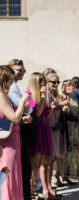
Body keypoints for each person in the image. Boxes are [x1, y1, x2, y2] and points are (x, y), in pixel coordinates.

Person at [0, 65, 30, 200]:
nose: (12, 83)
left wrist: (22, 115)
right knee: (8, 175)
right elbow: (14, 118)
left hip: (12, 139)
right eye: (10, 80)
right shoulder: (1, 96)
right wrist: (23, 101)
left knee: (12, 174)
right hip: (7, 143)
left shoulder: (3, 95)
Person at [7, 59, 34, 200]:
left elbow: (32, 106)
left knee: (21, 171)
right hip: (9, 137)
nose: (22, 73)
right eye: (19, 70)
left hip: (16, 132)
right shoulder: (9, 89)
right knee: (12, 173)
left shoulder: (15, 87)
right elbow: (21, 109)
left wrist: (28, 103)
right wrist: (25, 102)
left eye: (24, 70)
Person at [62, 80, 79, 184]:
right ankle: (64, 174)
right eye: (68, 86)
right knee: (67, 150)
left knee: (75, 149)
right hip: (67, 126)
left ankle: (72, 174)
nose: (70, 87)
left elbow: (77, 114)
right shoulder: (62, 98)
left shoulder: (74, 99)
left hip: (75, 125)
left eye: (71, 86)